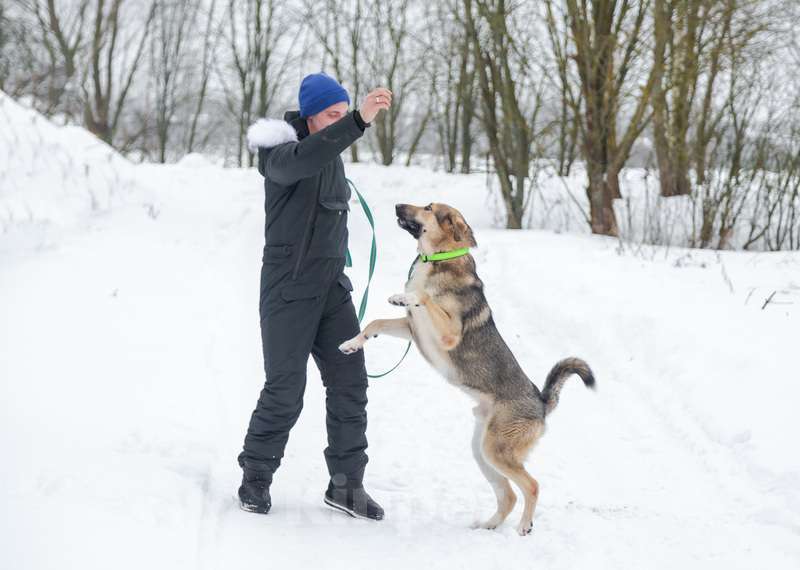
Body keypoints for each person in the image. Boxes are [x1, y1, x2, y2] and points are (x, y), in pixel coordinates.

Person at [238, 72, 392, 521]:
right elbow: (305, 158)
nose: (341, 121)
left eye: (344, 113)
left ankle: (346, 486)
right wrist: (359, 121)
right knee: (286, 389)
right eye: (332, 114)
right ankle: (255, 478)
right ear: (309, 116)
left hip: (330, 291)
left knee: (350, 385)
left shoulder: (333, 154)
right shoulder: (279, 154)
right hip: (287, 290)